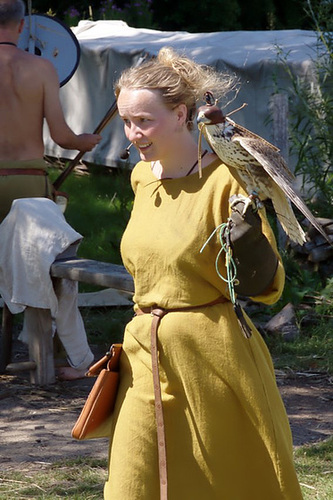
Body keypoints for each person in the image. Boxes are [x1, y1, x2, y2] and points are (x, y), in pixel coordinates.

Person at [103, 47, 303, 499]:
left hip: (212, 356)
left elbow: (268, 288)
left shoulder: (228, 180)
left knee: (227, 481)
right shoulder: (141, 177)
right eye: (126, 121)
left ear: (180, 113)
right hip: (144, 351)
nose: (134, 133)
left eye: (144, 120)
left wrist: (248, 240)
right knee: (133, 483)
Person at [0, 0, 102, 380]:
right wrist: (85, 141)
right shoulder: (41, 68)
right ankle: (72, 354)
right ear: (24, 24)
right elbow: (62, 137)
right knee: (48, 265)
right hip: (29, 182)